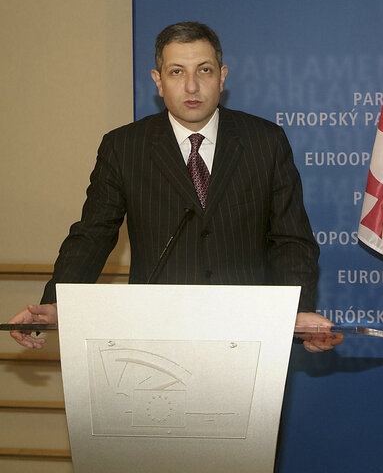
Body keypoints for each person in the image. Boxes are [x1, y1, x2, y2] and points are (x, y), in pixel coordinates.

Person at [8, 21, 341, 352]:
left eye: (205, 71)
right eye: (177, 72)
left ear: (222, 77)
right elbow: (92, 235)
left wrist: (296, 312)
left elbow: (291, 240)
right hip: (154, 335)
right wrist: (56, 303)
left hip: (247, 334)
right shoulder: (124, 148)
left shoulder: (265, 142)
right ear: (158, 81)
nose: (192, 86)